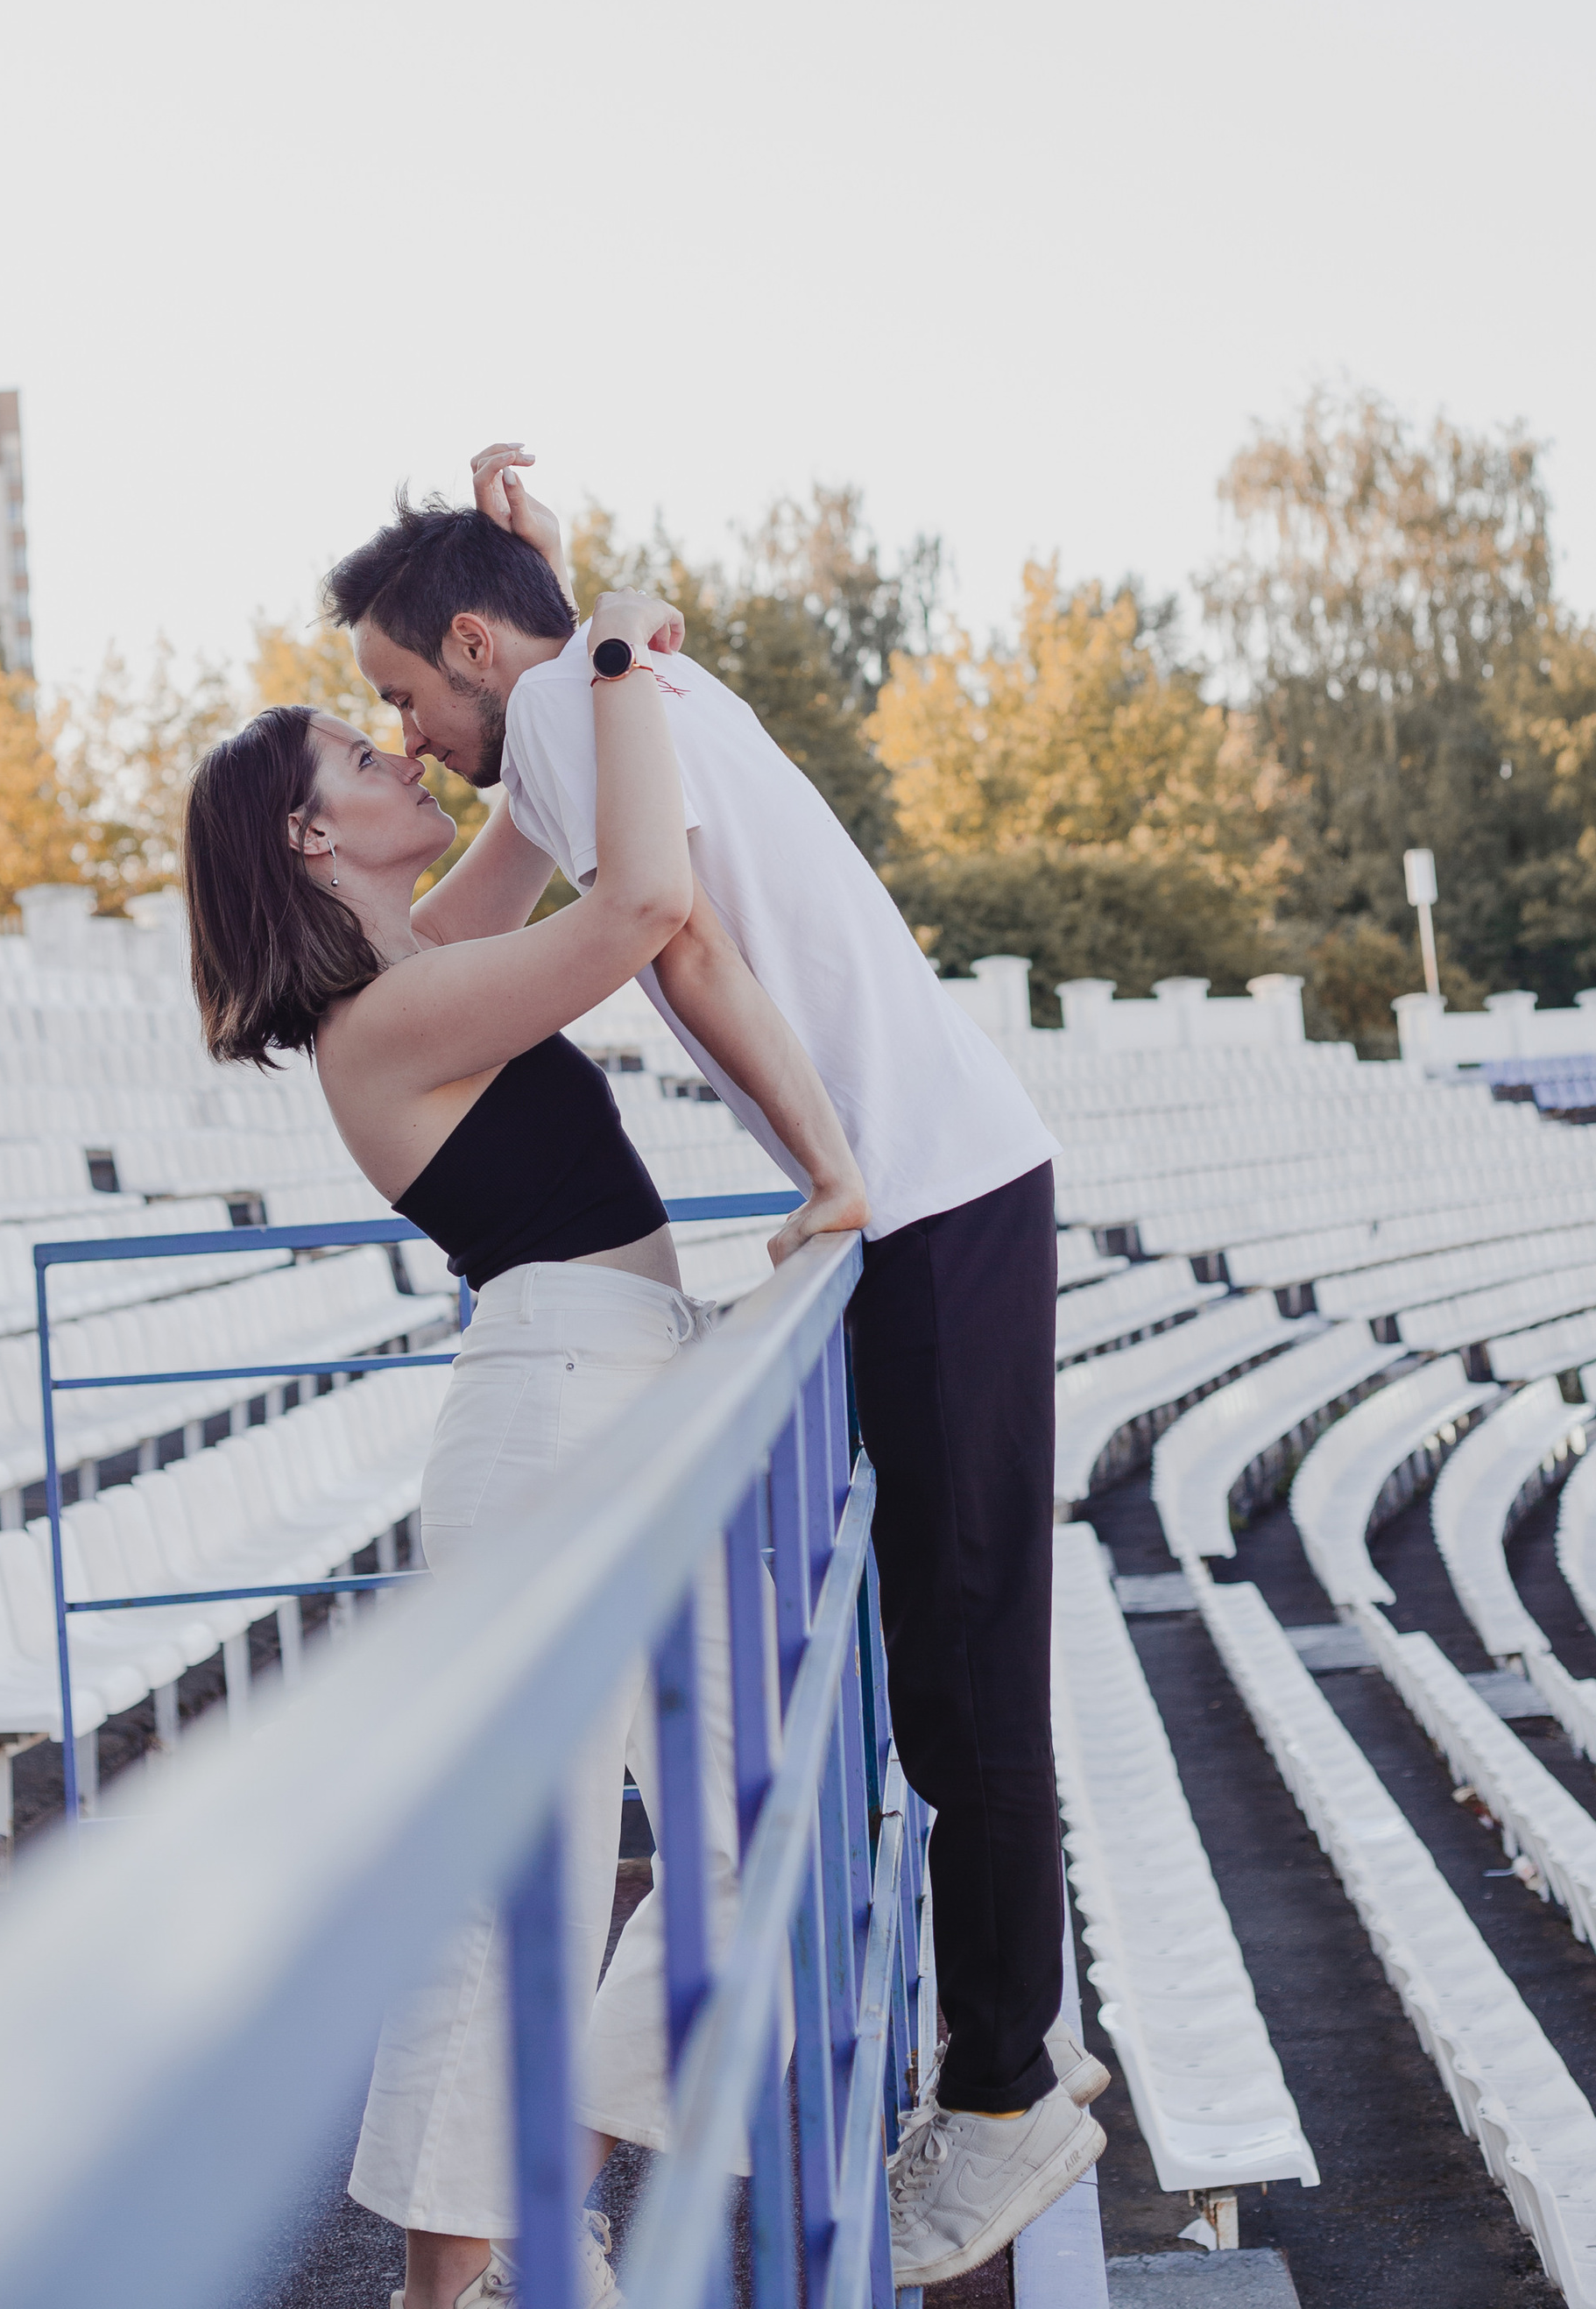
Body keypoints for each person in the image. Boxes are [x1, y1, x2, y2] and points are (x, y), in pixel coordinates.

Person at [324, 452, 1108, 2291]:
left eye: (398, 698)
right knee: (945, 1669)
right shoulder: (594, 702)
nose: (410, 743)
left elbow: (654, 911)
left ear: (464, 650)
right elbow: (501, 891)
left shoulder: (583, 706)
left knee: (963, 1671)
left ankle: (998, 2102)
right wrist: (564, 599)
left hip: (924, 1189)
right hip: (925, 1186)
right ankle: (994, 2077)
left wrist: (830, 1157)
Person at [182, 590, 752, 2309]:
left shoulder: (422, 953)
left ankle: (525, 2184)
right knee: (526, 1861)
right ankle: (447, 2282)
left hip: (631, 1390)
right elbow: (644, 900)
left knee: (747, 1814)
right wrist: (610, 670)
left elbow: (528, 807)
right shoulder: (381, 1027)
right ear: (310, 836)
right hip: (552, 1407)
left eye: (396, 715)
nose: (404, 740)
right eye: (369, 746)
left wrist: (541, 602)